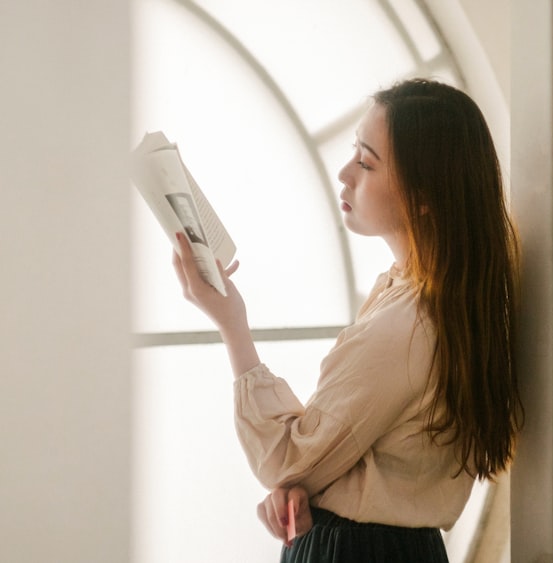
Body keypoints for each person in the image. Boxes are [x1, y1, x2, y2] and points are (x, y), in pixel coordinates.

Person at [172, 78, 522, 563]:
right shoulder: (436, 300)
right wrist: (308, 487)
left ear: (423, 193)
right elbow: (345, 449)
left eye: (366, 161)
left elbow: (289, 456)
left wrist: (232, 323)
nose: (344, 173)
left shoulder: (407, 324)